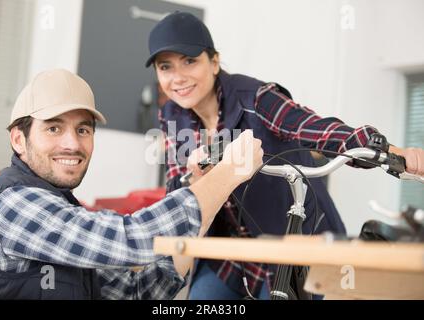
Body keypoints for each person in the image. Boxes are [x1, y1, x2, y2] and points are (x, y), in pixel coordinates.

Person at [145, 11, 424, 300]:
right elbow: (176, 190)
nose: (178, 78)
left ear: (214, 62)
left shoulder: (255, 97)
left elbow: (316, 130)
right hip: (228, 254)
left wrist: (391, 152)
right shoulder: (171, 115)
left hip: (290, 245)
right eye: (166, 67)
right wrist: (194, 176)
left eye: (189, 61)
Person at [0, 69, 263, 299]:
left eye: (83, 129)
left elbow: (137, 291)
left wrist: (205, 185)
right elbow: (131, 238)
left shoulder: (59, 211)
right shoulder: (14, 205)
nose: (73, 143)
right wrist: (228, 174)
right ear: (18, 140)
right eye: (54, 128)